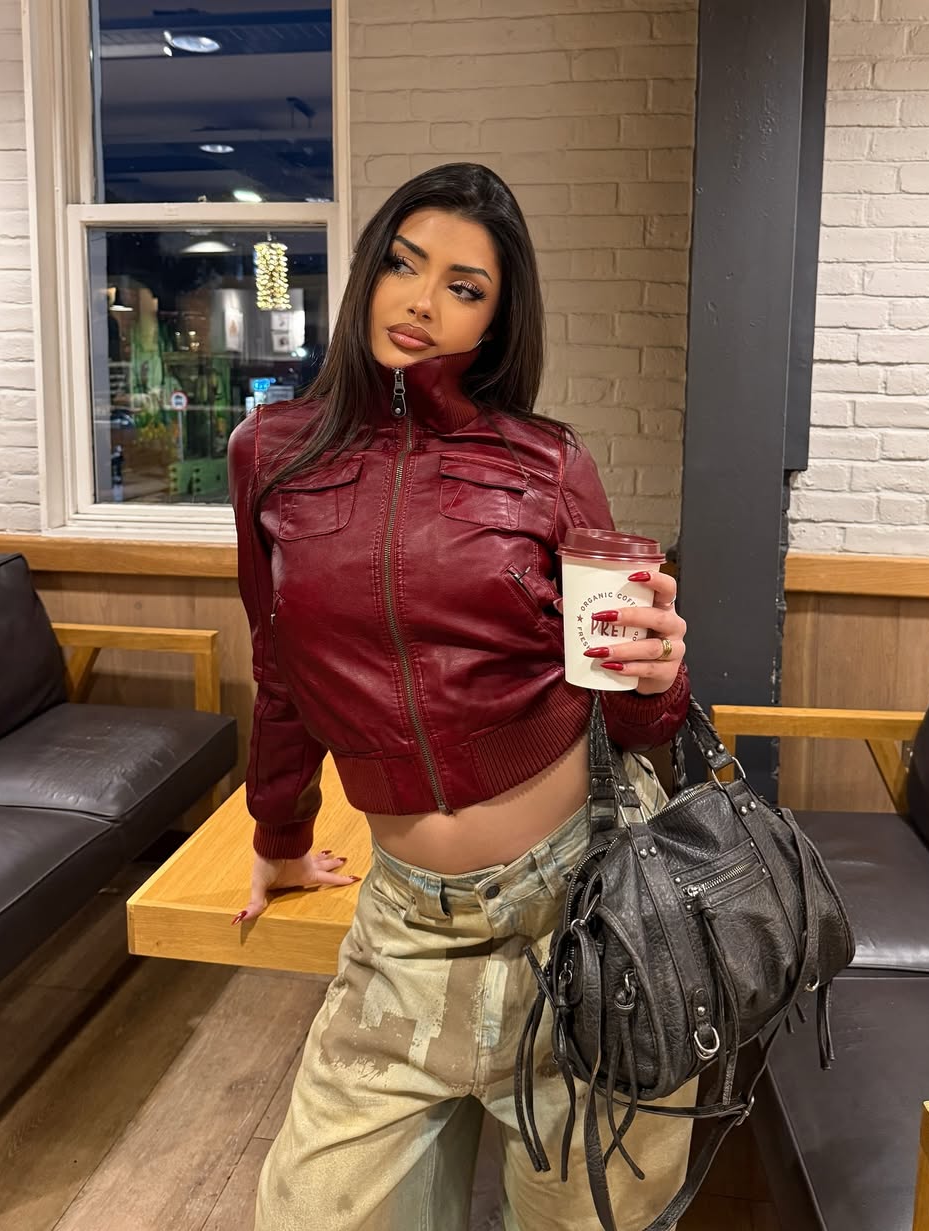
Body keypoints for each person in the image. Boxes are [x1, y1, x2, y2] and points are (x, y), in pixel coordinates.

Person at [228, 163, 695, 1231]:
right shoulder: (271, 453)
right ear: (367, 272)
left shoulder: (547, 461)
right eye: (404, 264)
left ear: (496, 319)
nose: (421, 301)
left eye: (463, 286)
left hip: (586, 903)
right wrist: (278, 832)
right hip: (406, 924)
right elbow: (279, 667)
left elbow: (629, 711)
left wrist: (659, 679)